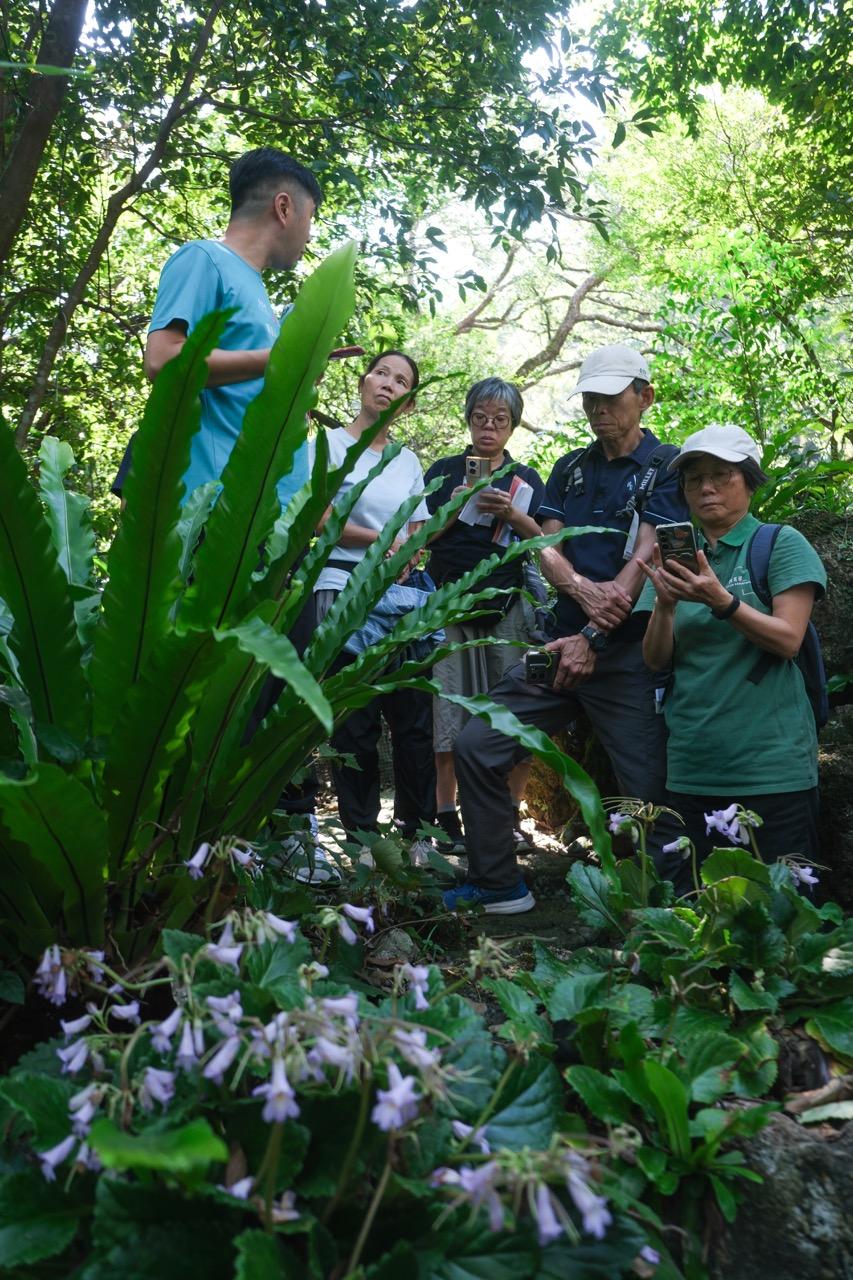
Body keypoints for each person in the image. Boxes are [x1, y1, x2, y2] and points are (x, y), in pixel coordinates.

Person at [444, 344, 690, 914]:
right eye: (590, 399)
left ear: (644, 397)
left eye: (611, 398)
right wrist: (579, 593)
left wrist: (593, 637)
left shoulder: (667, 466)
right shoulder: (571, 468)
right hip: (558, 648)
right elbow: (545, 545)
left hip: (628, 656)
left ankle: (674, 911)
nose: (598, 409)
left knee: (650, 791)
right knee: (478, 742)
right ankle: (497, 883)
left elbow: (646, 559)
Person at [637, 424, 827, 893]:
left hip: (771, 769)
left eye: (721, 475)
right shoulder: (678, 557)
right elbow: (655, 659)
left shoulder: (779, 544)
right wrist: (665, 605)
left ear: (749, 481)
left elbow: (788, 639)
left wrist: (721, 601)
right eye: (694, 479)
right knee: (695, 904)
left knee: (784, 906)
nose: (706, 488)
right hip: (692, 765)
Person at [310, 351, 437, 863]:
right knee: (354, 720)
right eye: (381, 373)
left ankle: (418, 835)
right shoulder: (328, 444)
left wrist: (406, 552)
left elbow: (416, 528)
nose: (388, 384)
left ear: (408, 403)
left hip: (399, 595)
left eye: (401, 381)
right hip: (340, 587)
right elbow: (318, 517)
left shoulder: (408, 461)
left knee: (413, 718)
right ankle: (362, 838)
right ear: (363, 382)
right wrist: (382, 542)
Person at [423, 378, 546, 854]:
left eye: (499, 420)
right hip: (449, 604)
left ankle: (509, 815)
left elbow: (546, 541)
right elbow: (419, 537)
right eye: (480, 418)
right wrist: (458, 504)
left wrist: (511, 514)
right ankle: (446, 817)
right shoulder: (443, 472)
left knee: (516, 711)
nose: (488, 427)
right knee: (448, 710)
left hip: (508, 607)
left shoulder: (526, 478)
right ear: (469, 420)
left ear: (512, 426)